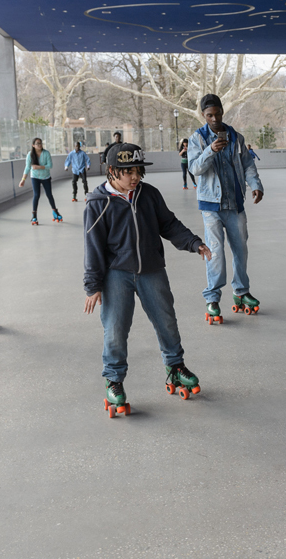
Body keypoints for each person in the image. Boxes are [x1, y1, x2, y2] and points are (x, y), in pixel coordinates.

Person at [84, 143, 213, 416]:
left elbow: (168, 224)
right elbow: (93, 246)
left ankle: (175, 367)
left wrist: (193, 243)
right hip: (116, 273)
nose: (134, 177)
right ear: (111, 172)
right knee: (116, 328)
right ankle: (114, 381)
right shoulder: (98, 203)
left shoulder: (148, 194)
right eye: (127, 172)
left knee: (166, 320)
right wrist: (93, 286)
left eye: (138, 171)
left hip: (152, 269)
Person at [187, 94, 264, 323]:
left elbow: (248, 164)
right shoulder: (197, 139)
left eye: (217, 113)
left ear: (222, 111)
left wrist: (256, 185)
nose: (214, 118)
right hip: (211, 206)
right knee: (216, 253)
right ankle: (212, 298)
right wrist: (211, 150)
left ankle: (241, 292)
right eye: (209, 115)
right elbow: (195, 169)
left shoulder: (235, 137)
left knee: (241, 250)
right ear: (203, 115)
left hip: (235, 204)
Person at [19, 138, 61, 225]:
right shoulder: (30, 155)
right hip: (35, 177)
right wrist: (23, 180)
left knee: (49, 195)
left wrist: (38, 167)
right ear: (33, 145)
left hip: (46, 177)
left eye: (41, 143)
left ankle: (55, 212)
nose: (40, 145)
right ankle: (34, 216)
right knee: (36, 195)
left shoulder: (46, 153)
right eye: (37, 143)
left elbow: (50, 165)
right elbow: (27, 168)